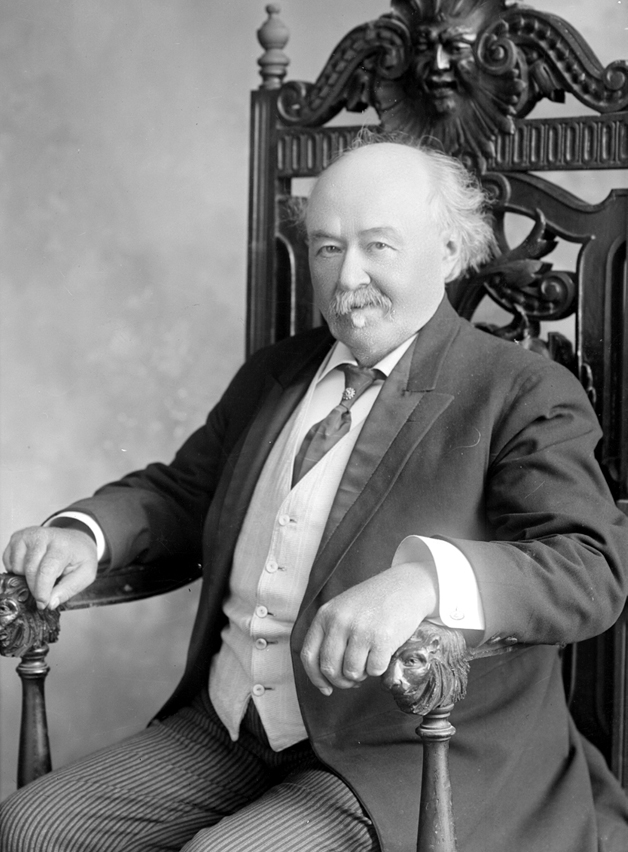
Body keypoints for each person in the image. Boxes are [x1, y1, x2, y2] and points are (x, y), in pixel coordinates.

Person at [2, 138, 628, 852]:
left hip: (401, 749)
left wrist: (425, 581)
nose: (346, 277)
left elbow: (590, 565)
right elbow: (184, 494)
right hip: (232, 728)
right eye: (328, 249)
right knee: (33, 829)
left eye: (378, 247)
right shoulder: (277, 373)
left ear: (450, 250)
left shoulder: (518, 388)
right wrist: (86, 533)